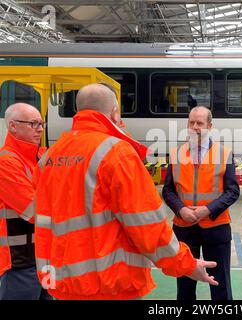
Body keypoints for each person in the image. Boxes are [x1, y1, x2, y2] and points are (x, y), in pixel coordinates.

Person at [33, 83, 218, 300]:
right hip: (109, 285)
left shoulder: (49, 156)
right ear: (114, 112)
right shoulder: (116, 153)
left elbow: (44, 220)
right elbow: (146, 225)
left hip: (63, 282)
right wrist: (186, 264)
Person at [162, 106, 239, 300]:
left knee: (220, 285)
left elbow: (232, 191)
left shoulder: (224, 153)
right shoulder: (176, 153)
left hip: (216, 227)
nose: (195, 127)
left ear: (210, 126)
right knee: (185, 286)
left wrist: (208, 209)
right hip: (185, 228)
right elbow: (168, 190)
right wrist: (181, 210)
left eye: (200, 123)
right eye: (191, 122)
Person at [0, 103, 50, 300]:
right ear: (13, 126)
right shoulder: (6, 163)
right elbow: (33, 211)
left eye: (41, 124)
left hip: (43, 258)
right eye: (33, 123)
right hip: (20, 263)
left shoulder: (39, 156)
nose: (39, 129)